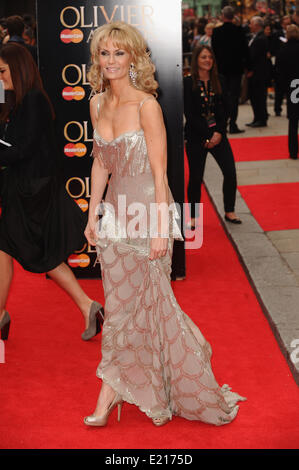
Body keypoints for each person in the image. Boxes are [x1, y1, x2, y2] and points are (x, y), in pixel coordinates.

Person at [83, 21, 245, 428]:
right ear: (96, 59)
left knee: (143, 307)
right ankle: (118, 385)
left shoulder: (147, 106)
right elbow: (101, 161)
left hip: (147, 213)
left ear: (134, 58)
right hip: (116, 217)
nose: (111, 61)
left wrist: (160, 230)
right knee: (121, 307)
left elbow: (161, 175)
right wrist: (91, 213)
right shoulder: (97, 103)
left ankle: (112, 390)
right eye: (105, 53)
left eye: (120, 53)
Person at [0, 43, 104, 342]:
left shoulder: (33, 100)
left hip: (34, 189)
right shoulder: (12, 97)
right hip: (21, 188)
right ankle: (87, 306)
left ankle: (2, 317)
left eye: (3, 71)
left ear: (18, 69)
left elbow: (22, 150)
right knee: (20, 250)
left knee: (30, 252)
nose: (0, 77)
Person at [184, 44, 242, 230]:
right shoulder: (187, 83)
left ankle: (230, 210)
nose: (208, 60)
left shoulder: (220, 81)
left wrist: (218, 133)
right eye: (203, 57)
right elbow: (190, 114)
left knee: (230, 172)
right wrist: (208, 136)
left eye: (210, 57)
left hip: (218, 135)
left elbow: (226, 109)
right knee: (195, 177)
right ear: (196, 61)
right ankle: (193, 216)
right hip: (196, 137)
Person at [211, 6, 251, 134]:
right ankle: (233, 124)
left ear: (223, 16)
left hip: (221, 70)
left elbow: (214, 51)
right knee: (233, 98)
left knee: (221, 97)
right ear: (233, 17)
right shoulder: (239, 31)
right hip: (235, 70)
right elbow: (245, 51)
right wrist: (248, 67)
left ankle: (222, 125)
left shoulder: (217, 32)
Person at [275, 24, 299, 159]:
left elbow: (279, 72)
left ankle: (293, 151)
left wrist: (282, 88)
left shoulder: (283, 50)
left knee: (293, 121)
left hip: (292, 89)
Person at [246, 16, 270, 128]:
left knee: (259, 97)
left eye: (251, 24)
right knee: (254, 97)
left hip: (258, 73)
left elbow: (255, 57)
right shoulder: (255, 37)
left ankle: (261, 118)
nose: (249, 26)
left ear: (257, 25)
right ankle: (257, 117)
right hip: (256, 72)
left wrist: (250, 69)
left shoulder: (261, 38)